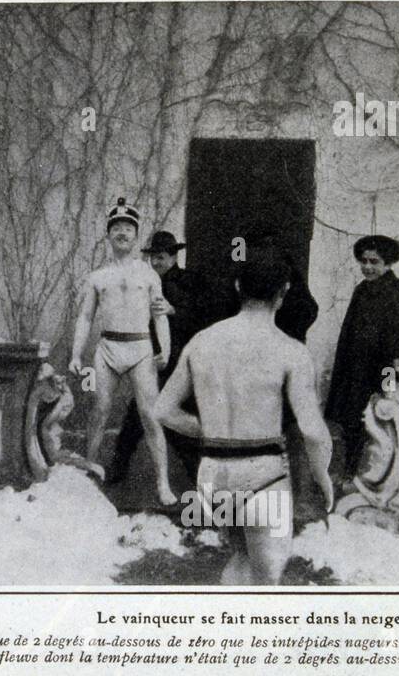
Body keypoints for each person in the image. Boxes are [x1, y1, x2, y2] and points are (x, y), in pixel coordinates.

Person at [155, 254, 333, 585]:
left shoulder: (201, 341)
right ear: (283, 294)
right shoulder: (291, 351)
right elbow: (311, 430)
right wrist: (323, 476)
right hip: (262, 476)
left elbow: (162, 410)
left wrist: (207, 430)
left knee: (241, 557)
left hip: (212, 477)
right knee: (266, 583)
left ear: (238, 287)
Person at [69, 198, 175, 503]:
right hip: (108, 348)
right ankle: (89, 473)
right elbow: (85, 317)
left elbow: (159, 316)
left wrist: (164, 349)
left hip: (141, 348)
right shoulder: (98, 277)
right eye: (116, 227)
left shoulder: (149, 275)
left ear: (136, 234)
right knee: (100, 410)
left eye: (128, 227)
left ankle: (163, 484)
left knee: (150, 415)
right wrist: (76, 355)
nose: (122, 232)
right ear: (108, 235)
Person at [324, 235, 399, 477]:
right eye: (364, 261)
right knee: (351, 426)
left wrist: (386, 388)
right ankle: (349, 476)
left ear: (387, 264)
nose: (367, 267)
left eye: (374, 262)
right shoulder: (361, 291)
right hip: (356, 373)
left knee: (379, 428)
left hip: (380, 376)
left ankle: (375, 479)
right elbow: (348, 336)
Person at [113, 231, 211, 486]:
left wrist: (173, 310)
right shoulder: (146, 282)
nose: (155, 263)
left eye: (160, 258)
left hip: (179, 366)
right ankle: (115, 476)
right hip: (150, 363)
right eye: (152, 259)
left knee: (177, 429)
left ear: (173, 256)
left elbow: (204, 320)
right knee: (135, 421)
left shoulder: (190, 281)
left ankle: (201, 484)